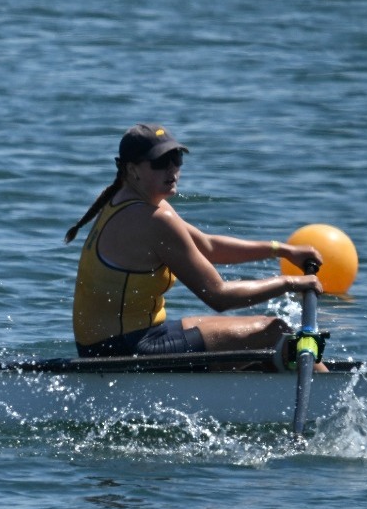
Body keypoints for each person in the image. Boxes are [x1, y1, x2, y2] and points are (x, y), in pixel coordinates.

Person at [67, 124, 323, 358]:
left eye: (176, 159)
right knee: (275, 332)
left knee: (260, 339)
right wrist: (290, 282)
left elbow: (208, 246)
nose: (172, 169)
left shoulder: (131, 202)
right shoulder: (150, 219)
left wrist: (283, 251)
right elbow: (219, 297)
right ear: (132, 170)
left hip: (120, 340)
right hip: (122, 352)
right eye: (160, 162)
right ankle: (328, 396)